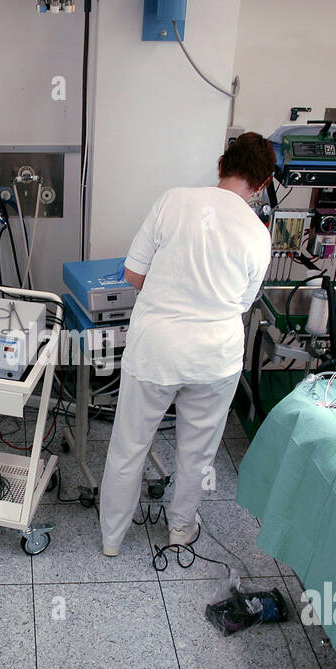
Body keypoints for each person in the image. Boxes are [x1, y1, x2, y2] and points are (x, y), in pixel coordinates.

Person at [99, 132, 275, 557]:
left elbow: (133, 276)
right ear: (263, 183)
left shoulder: (174, 200)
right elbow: (243, 303)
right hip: (215, 357)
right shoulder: (258, 233)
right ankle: (180, 531)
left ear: (221, 166)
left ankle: (112, 539)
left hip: (157, 349)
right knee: (196, 455)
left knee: (129, 448)